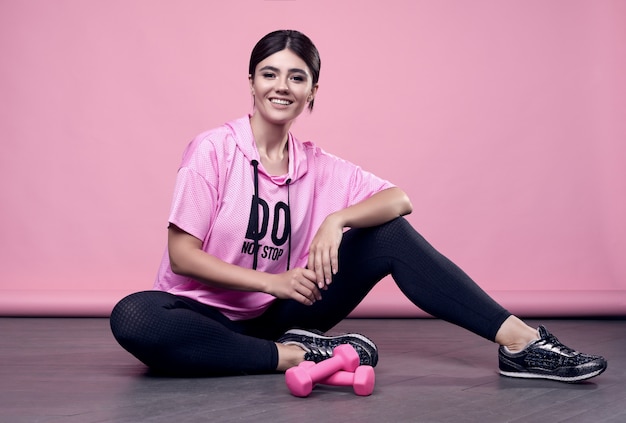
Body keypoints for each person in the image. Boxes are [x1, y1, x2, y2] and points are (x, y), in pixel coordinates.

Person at [110, 29, 607, 382]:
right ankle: (289, 356)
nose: (282, 86)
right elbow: (183, 257)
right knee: (134, 317)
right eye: (270, 74)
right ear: (252, 82)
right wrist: (271, 280)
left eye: (296, 78)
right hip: (200, 315)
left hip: (285, 310)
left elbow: (400, 199)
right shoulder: (213, 150)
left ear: (312, 92)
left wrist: (337, 218)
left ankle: (522, 344)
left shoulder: (317, 164)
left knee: (386, 232)